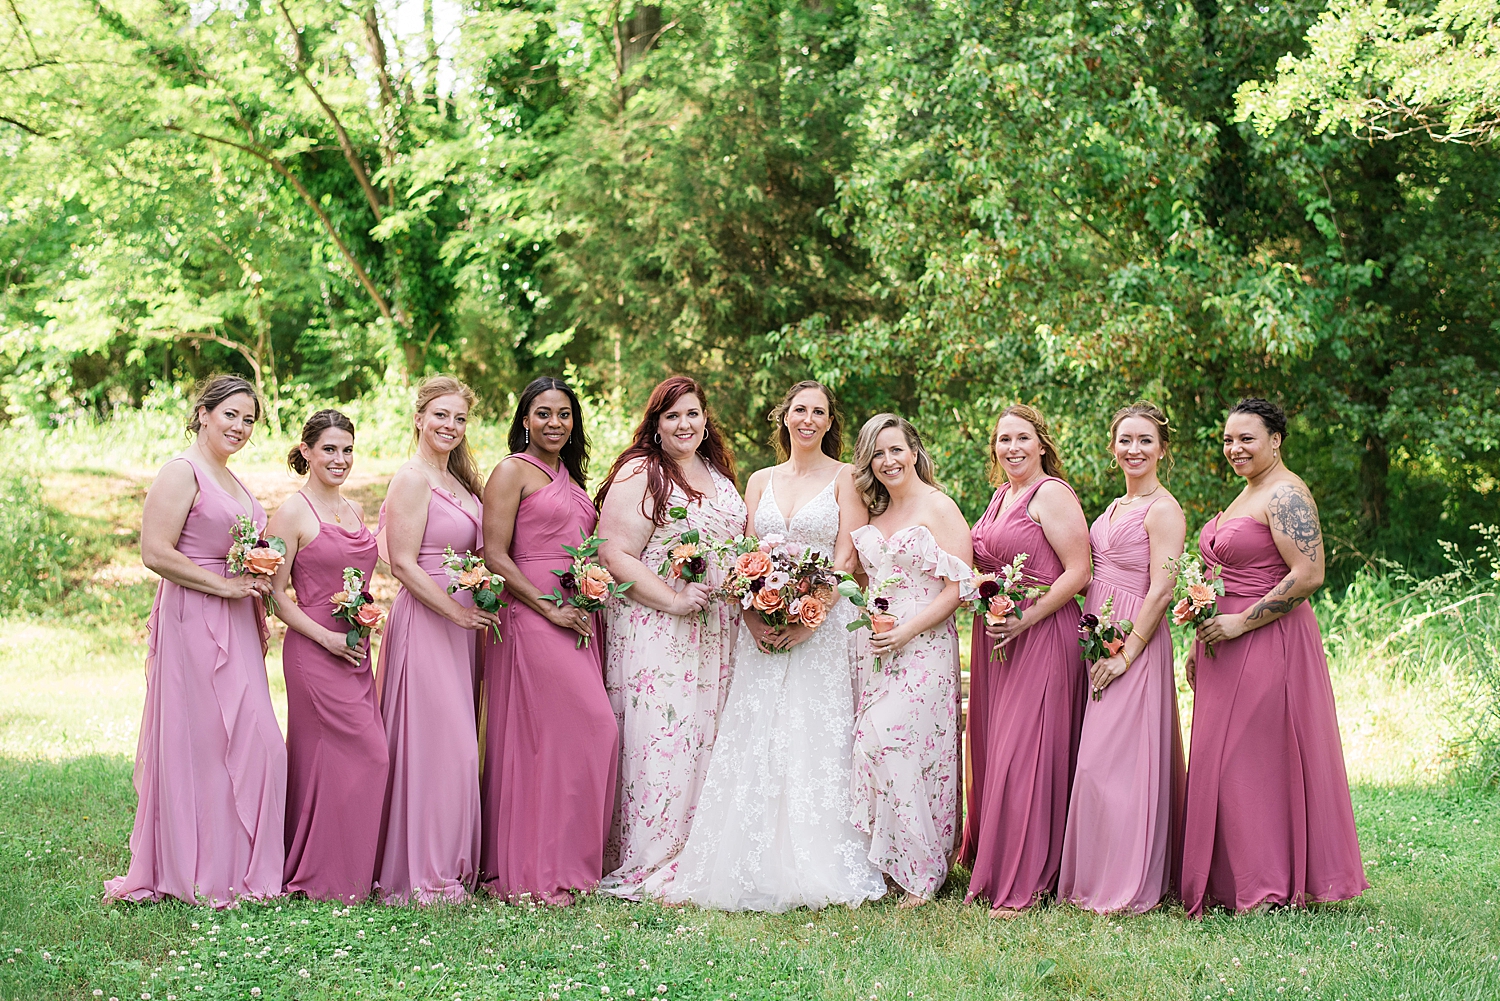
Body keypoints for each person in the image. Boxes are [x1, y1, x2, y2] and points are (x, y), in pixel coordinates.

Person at [656, 381, 887, 911]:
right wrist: (752, 617)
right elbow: (743, 555)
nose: (808, 419)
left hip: (824, 625)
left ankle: (820, 855)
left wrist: (810, 620)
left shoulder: (846, 479)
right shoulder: (758, 480)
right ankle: (748, 859)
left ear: (831, 423)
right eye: (800, 410)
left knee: (812, 730)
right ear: (784, 417)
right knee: (758, 729)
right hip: (757, 623)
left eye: (820, 412)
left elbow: (846, 559)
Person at [105, 375, 287, 907]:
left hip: (233, 615)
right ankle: (198, 871)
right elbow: (155, 552)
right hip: (193, 613)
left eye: (249, 419)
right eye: (230, 414)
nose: (240, 426)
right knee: (206, 741)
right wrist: (226, 585)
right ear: (203, 413)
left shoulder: (231, 477)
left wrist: (252, 582)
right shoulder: (180, 472)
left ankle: (240, 863)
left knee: (257, 741)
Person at [1182, 398, 1367, 915]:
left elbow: (1308, 574)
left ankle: (1266, 886)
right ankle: (1231, 880)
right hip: (1223, 642)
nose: (1234, 448)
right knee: (1222, 760)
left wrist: (1242, 622)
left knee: (1254, 759)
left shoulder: (1286, 494)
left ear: (1276, 440)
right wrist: (1201, 640)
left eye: (1246, 438)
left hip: (1269, 640)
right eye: (1227, 439)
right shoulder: (1248, 493)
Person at [595, 376, 746, 897]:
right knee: (665, 736)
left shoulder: (718, 474)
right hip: (657, 629)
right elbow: (612, 555)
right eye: (673, 416)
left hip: (717, 632)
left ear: (706, 420)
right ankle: (654, 853)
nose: (685, 424)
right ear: (655, 425)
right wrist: (674, 599)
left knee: (707, 736)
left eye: (693, 414)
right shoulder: (644, 472)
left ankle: (701, 846)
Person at [478, 377, 617, 905]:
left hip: (576, 613)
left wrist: (587, 597)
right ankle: (534, 869)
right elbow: (494, 553)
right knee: (570, 732)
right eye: (543, 413)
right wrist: (546, 607)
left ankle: (566, 862)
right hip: (532, 614)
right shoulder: (512, 471)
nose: (554, 423)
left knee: (578, 738)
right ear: (524, 420)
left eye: (564, 414)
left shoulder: (572, 477)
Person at [961, 404, 1092, 917]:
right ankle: (994, 862)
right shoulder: (999, 497)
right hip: (999, 639)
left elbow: (1077, 572)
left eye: (1022, 438)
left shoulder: (1051, 494)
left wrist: (1025, 617)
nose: (1011, 447)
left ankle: (1026, 878)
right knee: (996, 751)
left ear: (1042, 444)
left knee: (1027, 755)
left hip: (1042, 635)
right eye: (1002, 439)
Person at [373, 376, 497, 904]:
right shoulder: (411, 479)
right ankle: (421, 870)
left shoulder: (462, 484)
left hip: (464, 627)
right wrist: (454, 612)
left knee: (460, 747)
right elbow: (402, 562)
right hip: (428, 624)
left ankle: (454, 864)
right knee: (436, 747)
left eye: (459, 418)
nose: (450, 426)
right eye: (440, 415)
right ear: (420, 418)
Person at [1058, 402, 1186, 914]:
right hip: (1098, 634)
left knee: (1116, 764)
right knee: (1097, 762)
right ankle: (1092, 874)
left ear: (1162, 450)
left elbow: (1163, 588)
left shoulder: (1164, 509)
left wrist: (1127, 653)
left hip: (1136, 642)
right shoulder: (1112, 506)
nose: (1135, 450)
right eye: (1126, 441)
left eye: (1145, 441)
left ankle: (1126, 882)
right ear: (1113, 448)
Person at [846, 414, 972, 908]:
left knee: (901, 743)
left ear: (914, 451)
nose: (888, 460)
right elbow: (863, 582)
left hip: (924, 646)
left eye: (896, 449)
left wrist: (907, 630)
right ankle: (894, 863)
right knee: (874, 745)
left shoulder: (939, 507)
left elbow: (959, 586)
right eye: (878, 453)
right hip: (879, 649)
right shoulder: (874, 519)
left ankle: (922, 871)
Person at [266, 409, 387, 903]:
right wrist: (326, 639)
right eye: (330, 449)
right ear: (307, 452)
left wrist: (360, 624)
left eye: (347, 449)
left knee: (362, 759)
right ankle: (318, 874)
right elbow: (274, 595)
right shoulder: (291, 513)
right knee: (346, 757)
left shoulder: (355, 511)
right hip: (314, 651)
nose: (340, 459)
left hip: (354, 648)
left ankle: (348, 870)